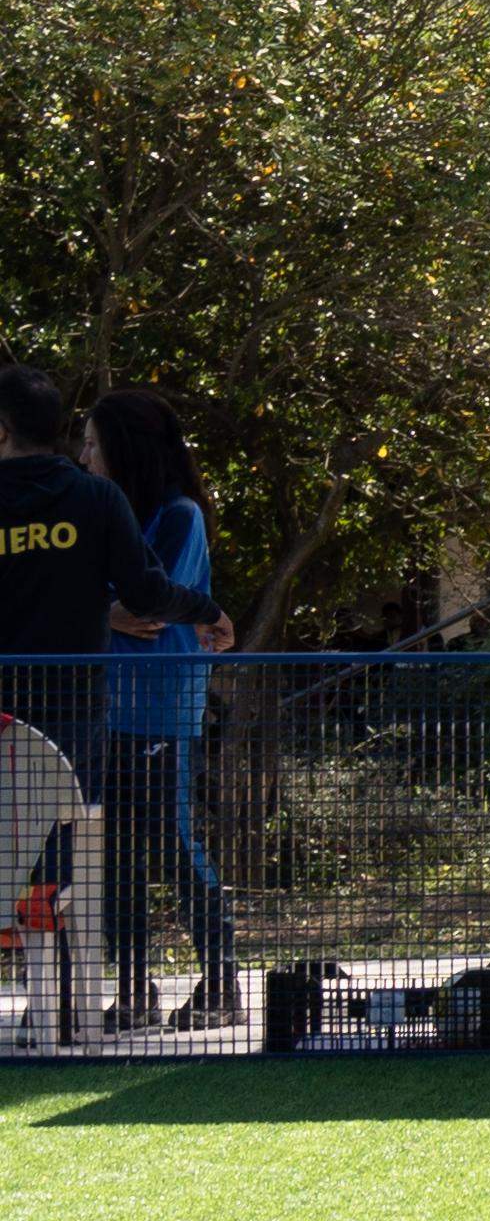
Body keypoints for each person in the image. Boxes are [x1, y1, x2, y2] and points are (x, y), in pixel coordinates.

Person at [87, 387, 236, 1031]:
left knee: (171, 840)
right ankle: (134, 985)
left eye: (93, 442)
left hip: (162, 706)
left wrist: (110, 608)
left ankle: (223, 980)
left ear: (126, 448)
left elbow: (147, 606)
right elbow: (102, 601)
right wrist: (103, 609)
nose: (84, 454)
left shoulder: (179, 516)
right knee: (113, 850)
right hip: (107, 708)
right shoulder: (103, 512)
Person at [0, 361, 163, 777]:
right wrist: (206, 611)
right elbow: (146, 592)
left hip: (16, 710)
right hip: (74, 711)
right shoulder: (99, 498)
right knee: (71, 830)